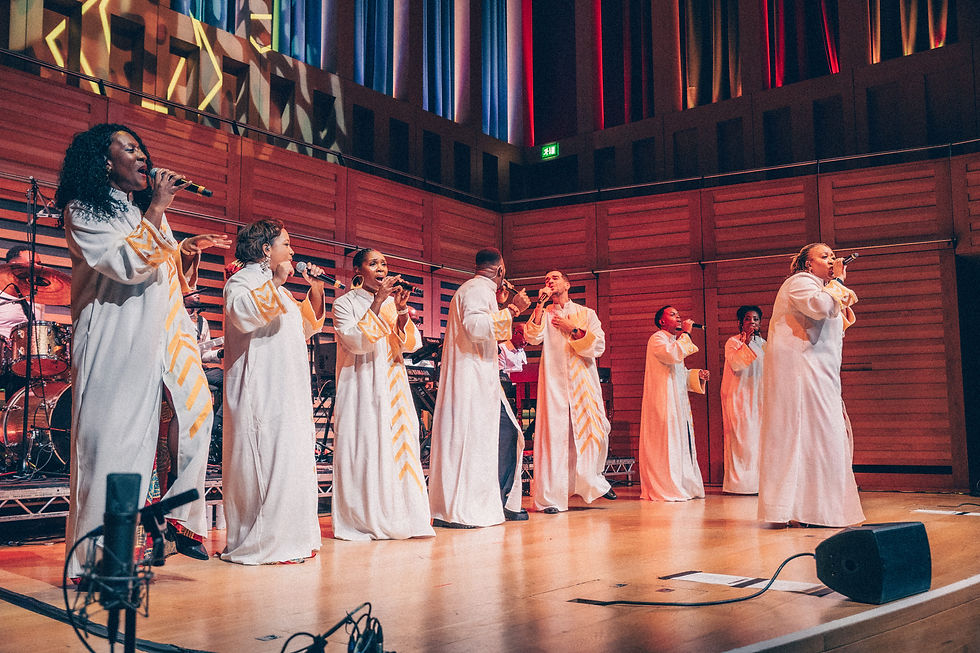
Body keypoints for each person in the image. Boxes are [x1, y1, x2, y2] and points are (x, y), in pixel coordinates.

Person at [57, 123, 230, 577]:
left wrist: (184, 252)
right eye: (129, 149)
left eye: (141, 149)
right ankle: (93, 563)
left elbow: (165, 277)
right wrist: (157, 207)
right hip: (112, 344)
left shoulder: (142, 213)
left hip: (156, 339)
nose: (142, 157)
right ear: (104, 161)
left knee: (185, 421)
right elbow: (127, 264)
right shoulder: (82, 211)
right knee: (111, 451)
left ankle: (162, 528)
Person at [221, 219, 326, 564]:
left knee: (291, 458)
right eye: (286, 244)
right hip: (261, 387)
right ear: (266, 249)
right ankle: (264, 541)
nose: (292, 251)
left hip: (287, 387)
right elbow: (243, 316)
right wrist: (277, 282)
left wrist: (315, 290)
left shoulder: (279, 291)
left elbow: (305, 328)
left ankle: (293, 537)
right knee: (266, 458)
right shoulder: (241, 281)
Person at [330, 248, 434, 540]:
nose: (381, 268)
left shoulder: (391, 304)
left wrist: (401, 310)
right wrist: (378, 301)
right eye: (373, 263)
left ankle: (403, 514)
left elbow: (410, 345)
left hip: (394, 384)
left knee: (402, 446)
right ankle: (366, 517)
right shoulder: (344, 303)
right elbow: (356, 342)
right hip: (362, 384)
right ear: (358, 270)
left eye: (384, 264)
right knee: (368, 447)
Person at [758, 243, 864, 527]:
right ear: (808, 264)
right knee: (812, 435)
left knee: (823, 436)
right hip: (803, 374)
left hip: (820, 374)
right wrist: (838, 282)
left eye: (833, 256)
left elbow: (833, 319)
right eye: (824, 256)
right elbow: (820, 308)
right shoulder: (799, 282)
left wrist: (837, 289)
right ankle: (801, 510)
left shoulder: (820, 287)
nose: (832, 260)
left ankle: (816, 509)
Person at [427, 248, 531, 528]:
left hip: (480, 376)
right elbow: (475, 327)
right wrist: (513, 309)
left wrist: (500, 305)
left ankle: (497, 500)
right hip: (471, 378)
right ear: (500, 271)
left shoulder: (478, 290)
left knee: (506, 434)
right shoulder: (477, 289)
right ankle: (467, 508)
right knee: (486, 437)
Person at [523, 271, 614, 514]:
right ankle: (550, 499)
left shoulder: (586, 313)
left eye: (554, 278)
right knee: (554, 437)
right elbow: (532, 337)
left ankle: (593, 480)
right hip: (554, 383)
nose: (549, 282)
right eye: (546, 280)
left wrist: (573, 329)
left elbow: (599, 346)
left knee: (595, 430)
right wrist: (539, 305)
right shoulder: (544, 312)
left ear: (567, 284)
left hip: (583, 381)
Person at [638, 306, 710, 502]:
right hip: (663, 401)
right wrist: (687, 333)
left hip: (677, 402)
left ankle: (683, 484)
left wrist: (696, 375)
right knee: (666, 441)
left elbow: (678, 373)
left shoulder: (672, 342)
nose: (678, 317)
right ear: (661, 321)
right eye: (672, 314)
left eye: (678, 314)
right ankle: (667, 487)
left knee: (679, 441)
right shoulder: (657, 339)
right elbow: (672, 355)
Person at [720, 305, 765, 494]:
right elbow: (737, 364)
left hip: (758, 400)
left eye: (756, 319)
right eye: (748, 319)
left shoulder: (763, 344)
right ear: (740, 322)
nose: (752, 322)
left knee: (757, 441)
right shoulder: (733, 342)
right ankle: (738, 486)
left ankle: (757, 484)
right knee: (741, 441)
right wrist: (745, 342)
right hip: (738, 398)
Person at [496, 313, 528, 521]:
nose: (526, 341)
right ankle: (502, 497)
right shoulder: (500, 348)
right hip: (498, 392)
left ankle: (506, 497)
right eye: (523, 336)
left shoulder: (521, 351)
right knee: (507, 438)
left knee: (512, 438)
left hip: (513, 392)